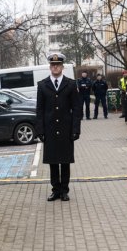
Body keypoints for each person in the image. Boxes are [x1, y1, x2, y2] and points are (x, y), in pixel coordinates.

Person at [35, 53, 82, 201]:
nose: (55, 67)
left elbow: (76, 109)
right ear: (50, 67)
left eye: (58, 65)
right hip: (49, 129)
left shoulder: (70, 84)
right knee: (53, 162)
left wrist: (75, 129)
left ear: (62, 67)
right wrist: (40, 130)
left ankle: (64, 190)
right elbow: (40, 110)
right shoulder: (42, 85)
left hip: (65, 129)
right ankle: (55, 190)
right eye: (53, 65)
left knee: (65, 161)